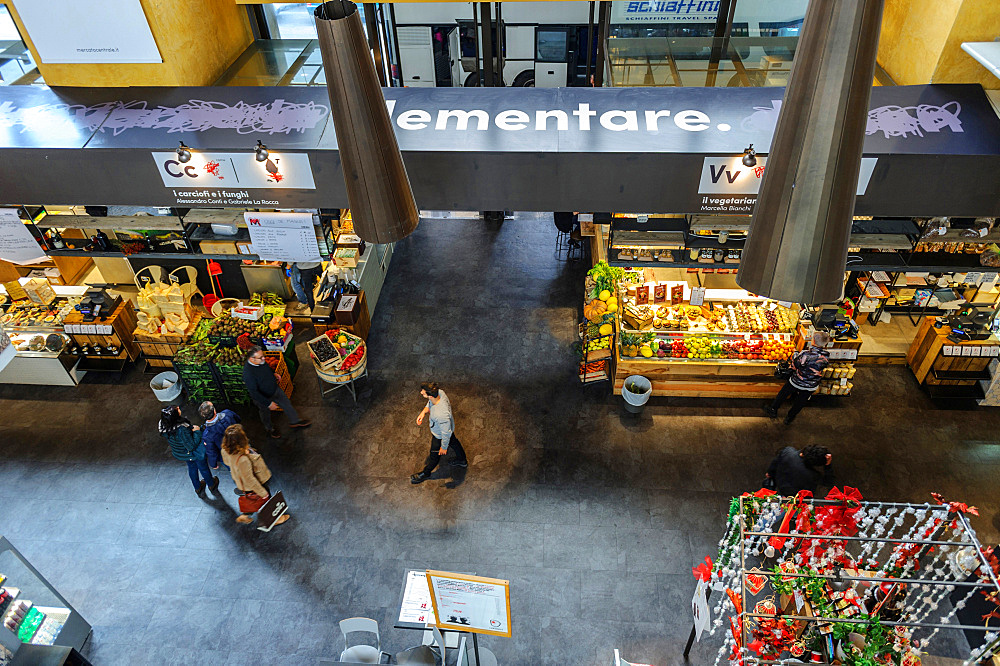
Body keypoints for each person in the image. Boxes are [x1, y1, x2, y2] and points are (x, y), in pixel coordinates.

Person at [221, 424, 290, 526]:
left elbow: (227, 462)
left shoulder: (224, 450)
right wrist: (263, 493)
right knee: (266, 500)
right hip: (255, 483)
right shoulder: (243, 460)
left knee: (251, 500)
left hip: (242, 483)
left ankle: (244, 516)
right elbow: (250, 479)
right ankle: (274, 519)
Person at [242, 345, 310, 438]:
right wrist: (268, 403)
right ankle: (270, 429)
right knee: (265, 413)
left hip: (274, 389)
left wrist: (273, 374)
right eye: (260, 357)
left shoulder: (260, 361)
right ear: (252, 359)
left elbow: (266, 368)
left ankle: (295, 421)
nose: (263, 358)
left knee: (286, 403)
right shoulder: (248, 374)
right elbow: (254, 392)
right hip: (263, 398)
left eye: (263, 356)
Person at [765, 331, 831, 425]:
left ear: (813, 341)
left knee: (783, 393)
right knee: (800, 402)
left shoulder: (806, 354)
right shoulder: (826, 356)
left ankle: (773, 409)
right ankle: (790, 417)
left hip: (798, 380)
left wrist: (795, 354)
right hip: (812, 384)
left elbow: (795, 365)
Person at [410, 381, 467, 485]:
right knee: (454, 442)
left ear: (430, 395)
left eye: (423, 391)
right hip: (446, 429)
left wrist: (444, 447)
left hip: (439, 435)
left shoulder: (441, 414)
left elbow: (446, 433)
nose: (421, 392)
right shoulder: (440, 393)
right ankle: (462, 460)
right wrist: (423, 412)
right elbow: (430, 403)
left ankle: (425, 473)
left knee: (434, 456)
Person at [158, 406, 218, 497]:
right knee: (203, 467)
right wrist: (197, 431)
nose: (178, 408)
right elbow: (191, 445)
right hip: (191, 453)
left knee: (192, 468)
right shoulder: (182, 429)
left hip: (181, 453)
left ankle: (197, 487)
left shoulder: (164, 425)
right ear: (175, 416)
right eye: (177, 409)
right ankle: (211, 484)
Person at [765, 445, 834, 496]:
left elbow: (775, 462)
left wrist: (770, 472)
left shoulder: (787, 451)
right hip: (797, 501)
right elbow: (828, 482)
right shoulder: (812, 475)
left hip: (779, 489)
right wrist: (828, 465)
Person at [198, 401, 241, 470]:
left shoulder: (207, 435)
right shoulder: (228, 413)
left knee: (234, 469)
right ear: (214, 411)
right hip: (240, 444)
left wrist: (213, 464)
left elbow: (211, 451)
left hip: (227, 455)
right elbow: (238, 419)